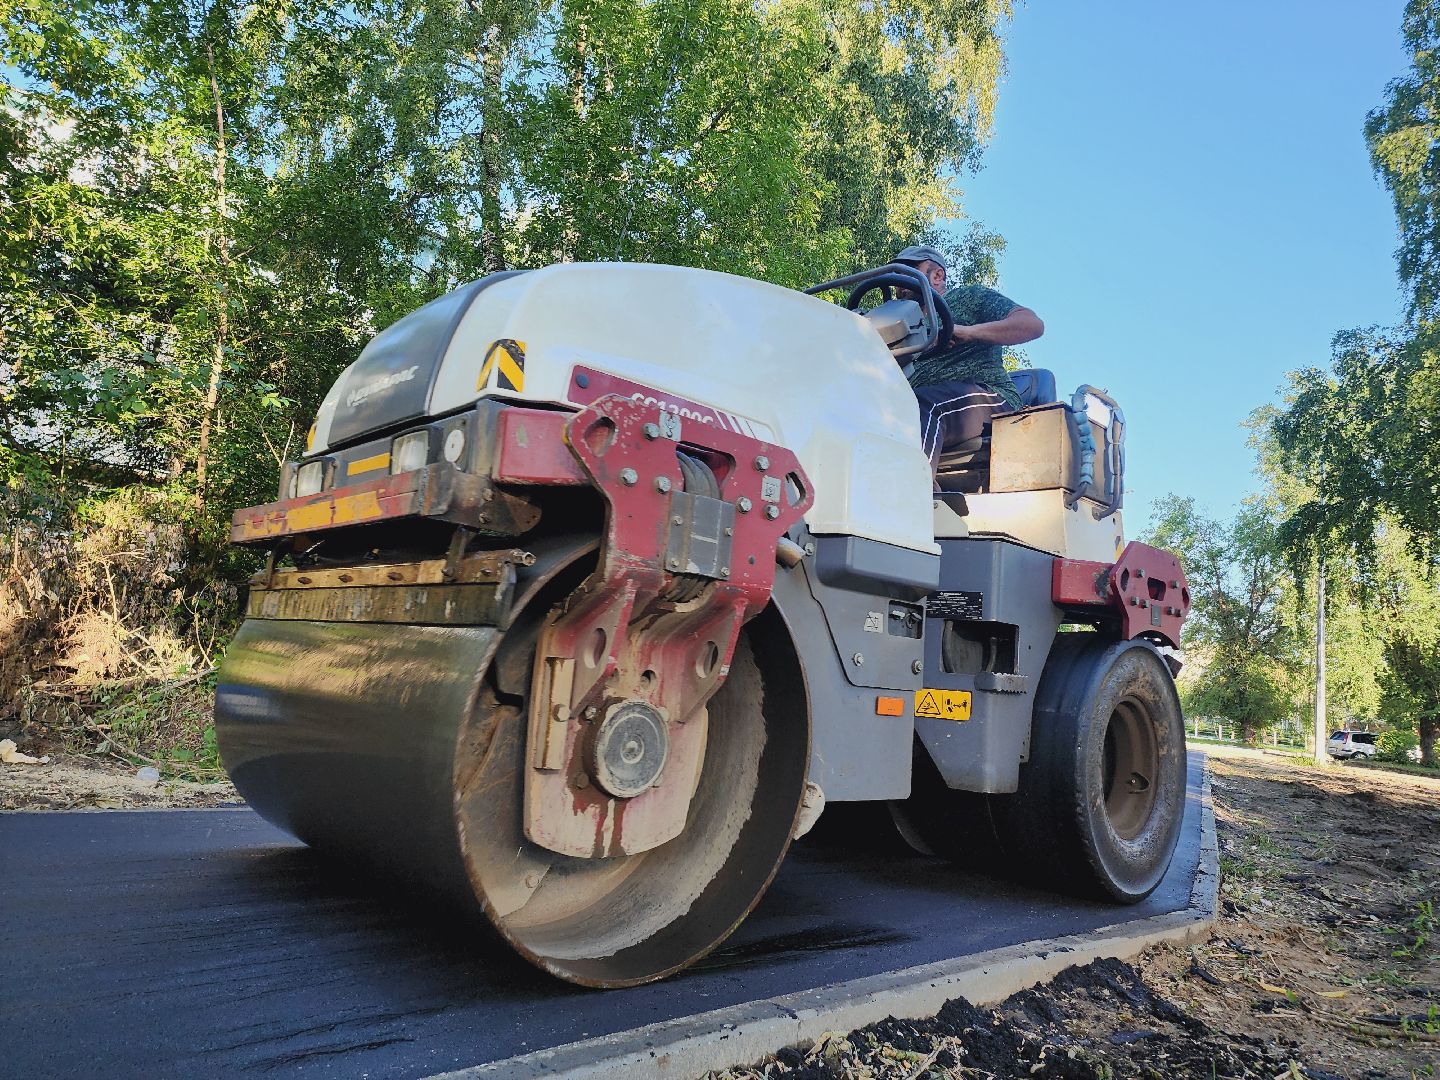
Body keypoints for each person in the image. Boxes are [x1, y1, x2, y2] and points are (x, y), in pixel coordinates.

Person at [891, 244, 1044, 472]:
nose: (898, 285)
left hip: (991, 397)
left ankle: (914, 495)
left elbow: (1032, 325)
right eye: (895, 278)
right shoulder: (902, 326)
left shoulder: (968, 296)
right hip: (922, 403)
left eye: (907, 272)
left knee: (924, 406)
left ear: (937, 275)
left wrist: (967, 332)